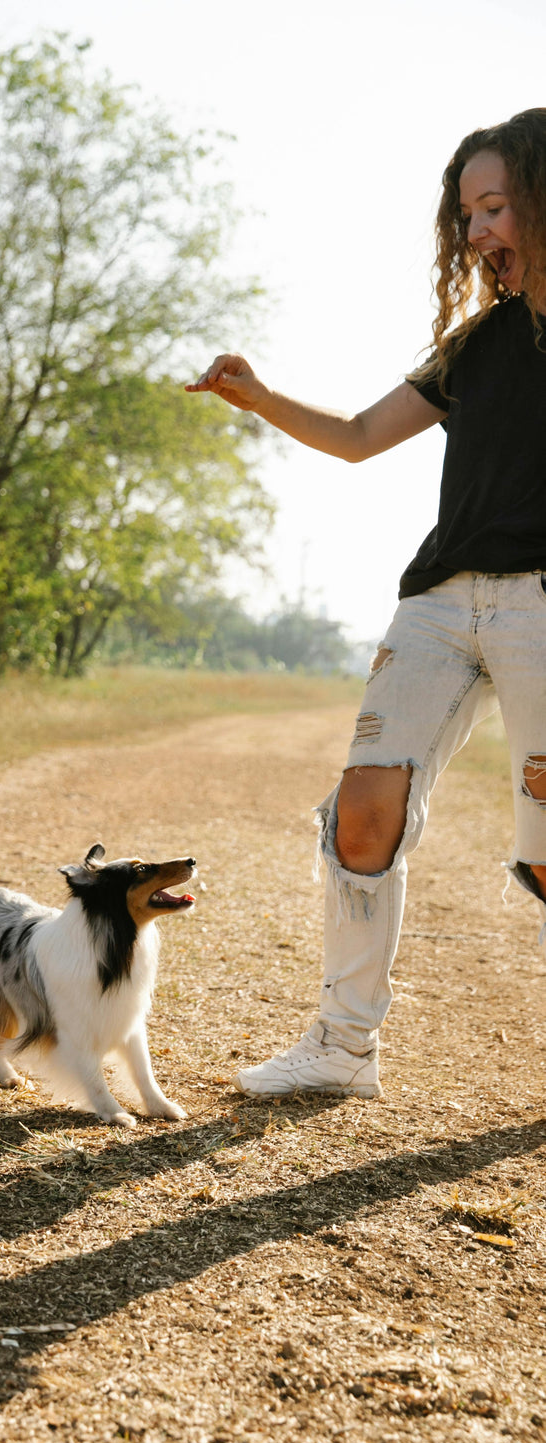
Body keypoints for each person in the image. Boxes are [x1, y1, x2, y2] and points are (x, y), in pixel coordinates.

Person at [186, 107, 546, 1100]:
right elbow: (353, 436)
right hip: (437, 601)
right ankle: (342, 1051)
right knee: (360, 814)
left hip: (541, 612)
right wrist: (257, 397)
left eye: (494, 206)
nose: (474, 232)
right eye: (463, 211)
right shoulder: (474, 345)